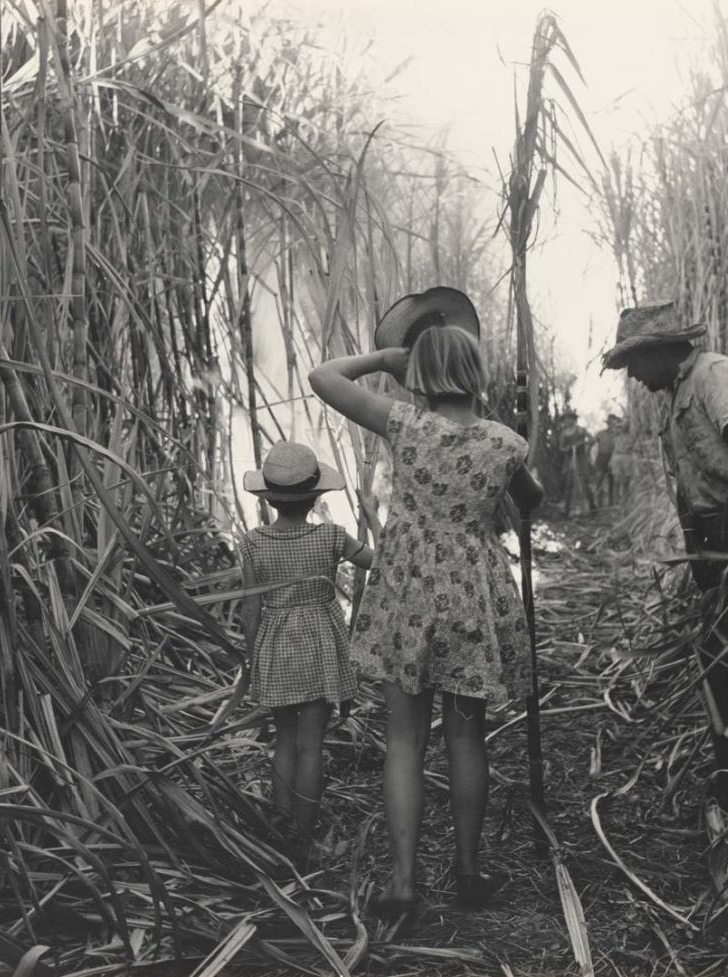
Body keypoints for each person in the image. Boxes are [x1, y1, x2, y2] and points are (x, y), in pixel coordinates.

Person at [309, 286, 542, 919]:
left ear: (421, 376)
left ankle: (405, 883)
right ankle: (468, 874)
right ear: (474, 375)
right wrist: (509, 458)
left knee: (404, 742)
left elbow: (323, 376)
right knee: (469, 741)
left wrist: (386, 357)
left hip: (409, 588)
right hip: (472, 590)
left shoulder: (403, 423)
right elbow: (532, 495)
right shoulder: (503, 442)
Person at [602, 300, 728, 810]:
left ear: (661, 351)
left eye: (635, 365)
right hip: (725, 539)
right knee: (720, 652)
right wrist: (698, 549)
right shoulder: (672, 398)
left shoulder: (714, 373)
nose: (635, 378)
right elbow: (687, 485)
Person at [239, 442, 374, 855]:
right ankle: (304, 833)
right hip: (319, 644)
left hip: (276, 645)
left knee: (284, 740)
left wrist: (252, 655)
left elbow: (251, 605)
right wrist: (370, 516)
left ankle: (282, 830)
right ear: (317, 496)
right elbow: (380, 564)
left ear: (267, 496)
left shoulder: (252, 542)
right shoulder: (333, 536)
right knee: (311, 744)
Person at [557, 408, 596, 517]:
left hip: (581, 459)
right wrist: (568, 448)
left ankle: (591, 507)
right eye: (565, 419)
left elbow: (592, 440)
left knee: (583, 482)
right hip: (570, 460)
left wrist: (582, 444)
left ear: (573, 419)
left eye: (569, 419)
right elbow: (561, 448)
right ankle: (567, 509)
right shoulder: (564, 433)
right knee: (569, 483)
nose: (567, 421)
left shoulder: (580, 430)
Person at [592, 415, 618, 507]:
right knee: (599, 479)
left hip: (613, 457)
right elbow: (591, 442)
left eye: (614, 423)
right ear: (608, 424)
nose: (612, 425)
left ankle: (611, 503)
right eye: (610, 423)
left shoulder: (617, 434)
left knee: (612, 480)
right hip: (601, 458)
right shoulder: (601, 433)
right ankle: (598, 502)